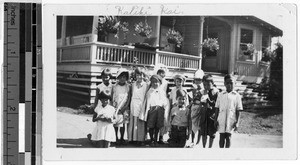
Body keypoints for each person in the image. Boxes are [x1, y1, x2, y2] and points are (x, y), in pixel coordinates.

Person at [214, 74, 243, 148]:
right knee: (221, 137)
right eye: (227, 83)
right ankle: (221, 152)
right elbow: (217, 108)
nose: (229, 85)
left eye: (231, 83)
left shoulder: (237, 96)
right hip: (221, 119)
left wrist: (237, 122)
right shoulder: (221, 95)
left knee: (228, 137)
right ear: (224, 84)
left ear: (235, 83)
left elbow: (238, 110)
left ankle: (227, 154)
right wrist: (215, 120)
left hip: (231, 119)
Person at [140, 75, 169, 147]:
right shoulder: (149, 91)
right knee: (151, 125)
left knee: (157, 126)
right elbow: (147, 101)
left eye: (156, 82)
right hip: (152, 110)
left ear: (160, 83)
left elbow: (164, 101)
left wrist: (163, 107)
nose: (155, 84)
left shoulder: (162, 91)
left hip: (159, 110)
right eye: (153, 82)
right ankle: (151, 139)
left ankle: (156, 139)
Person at [127, 68, 149, 146]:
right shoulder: (133, 85)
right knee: (133, 122)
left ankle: (140, 139)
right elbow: (130, 95)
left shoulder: (146, 85)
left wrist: (145, 106)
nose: (139, 77)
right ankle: (132, 139)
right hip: (133, 104)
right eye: (138, 75)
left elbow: (146, 97)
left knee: (140, 122)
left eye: (141, 75)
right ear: (135, 76)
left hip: (141, 104)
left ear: (143, 76)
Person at [112, 68, 131, 145]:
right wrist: (115, 107)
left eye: (124, 77)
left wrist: (125, 107)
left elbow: (129, 97)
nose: (122, 79)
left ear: (126, 78)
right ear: (118, 77)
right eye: (121, 77)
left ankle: (122, 138)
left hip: (125, 108)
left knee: (123, 124)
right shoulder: (115, 87)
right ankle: (116, 137)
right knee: (116, 124)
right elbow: (113, 97)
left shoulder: (128, 86)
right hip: (117, 107)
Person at [201, 74, 219, 148]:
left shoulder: (216, 92)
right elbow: (201, 101)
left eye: (208, 85)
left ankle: (210, 147)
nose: (206, 87)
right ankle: (204, 147)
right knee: (204, 132)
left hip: (212, 115)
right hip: (204, 114)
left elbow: (216, 104)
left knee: (212, 133)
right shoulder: (203, 92)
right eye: (204, 85)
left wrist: (208, 100)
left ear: (213, 84)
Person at [189, 69, 204, 147]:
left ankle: (198, 141)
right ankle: (192, 140)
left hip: (200, 107)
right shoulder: (193, 88)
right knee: (193, 124)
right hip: (194, 106)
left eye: (199, 80)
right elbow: (191, 98)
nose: (198, 81)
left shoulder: (203, 89)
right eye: (196, 80)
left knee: (199, 125)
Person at [157, 68, 170, 144]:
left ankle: (161, 136)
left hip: (164, 102)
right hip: (155, 101)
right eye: (160, 72)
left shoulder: (166, 83)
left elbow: (167, 94)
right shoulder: (154, 81)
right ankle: (154, 136)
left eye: (163, 73)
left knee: (164, 119)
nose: (162, 74)